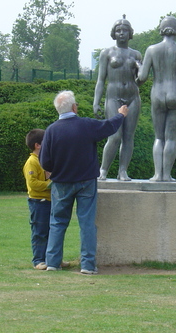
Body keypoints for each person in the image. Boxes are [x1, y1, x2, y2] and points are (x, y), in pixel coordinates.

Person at [39, 90, 128, 274]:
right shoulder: (85, 125)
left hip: (61, 182)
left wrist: (56, 169)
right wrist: (121, 114)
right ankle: (87, 265)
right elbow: (109, 127)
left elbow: (45, 162)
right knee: (86, 223)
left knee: (57, 222)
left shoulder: (51, 130)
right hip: (86, 181)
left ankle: (53, 262)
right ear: (74, 107)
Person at [136, 15, 176, 181]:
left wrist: (138, 67)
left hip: (158, 94)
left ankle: (157, 174)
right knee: (171, 138)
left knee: (159, 137)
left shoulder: (152, 50)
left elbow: (142, 77)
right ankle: (167, 175)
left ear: (161, 30)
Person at [93, 16, 142, 180]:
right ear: (114, 33)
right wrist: (96, 102)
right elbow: (101, 80)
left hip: (132, 97)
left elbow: (141, 81)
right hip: (113, 97)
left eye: (125, 30)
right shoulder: (106, 53)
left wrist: (139, 67)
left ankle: (123, 171)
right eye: (118, 30)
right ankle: (103, 170)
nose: (122, 33)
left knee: (128, 136)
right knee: (114, 136)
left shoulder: (136, 54)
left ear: (130, 33)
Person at [23, 129, 52, 270]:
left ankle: (52, 259)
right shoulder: (31, 162)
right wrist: (50, 184)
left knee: (52, 231)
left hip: (50, 201)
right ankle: (38, 260)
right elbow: (32, 183)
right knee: (40, 231)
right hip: (38, 202)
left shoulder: (45, 160)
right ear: (38, 145)